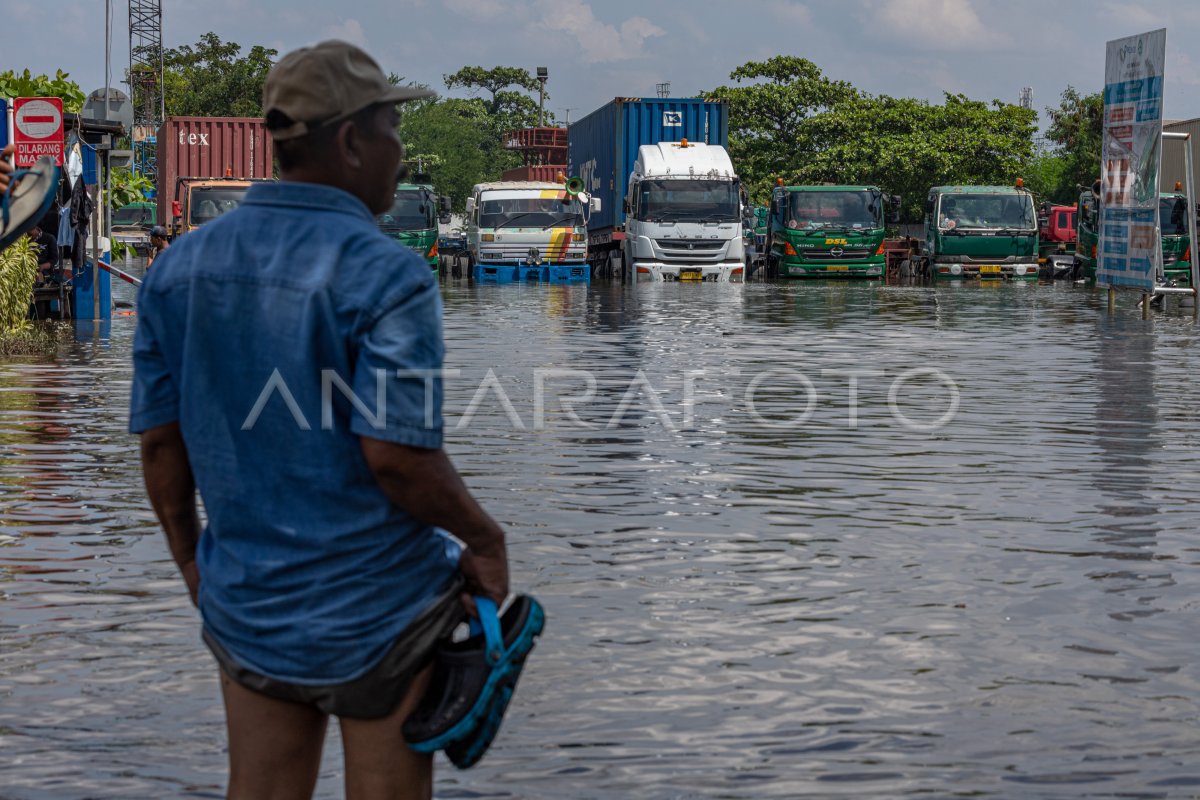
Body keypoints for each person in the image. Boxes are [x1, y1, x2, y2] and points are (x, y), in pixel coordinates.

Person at [130, 40, 509, 800]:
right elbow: (397, 459)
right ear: (350, 141)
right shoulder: (386, 272)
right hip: (383, 614)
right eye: (394, 131)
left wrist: (192, 566)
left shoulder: (178, 269)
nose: (401, 155)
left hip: (248, 606)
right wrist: (485, 538)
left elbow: (161, 450)